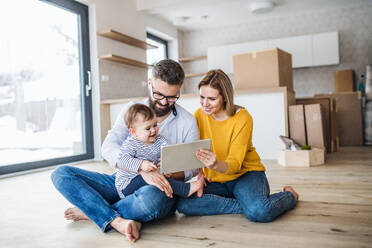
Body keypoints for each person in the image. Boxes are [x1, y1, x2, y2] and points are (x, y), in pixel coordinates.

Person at [51, 59, 200, 243]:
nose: (163, 102)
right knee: (61, 174)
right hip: (123, 181)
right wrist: (140, 170)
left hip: (161, 189)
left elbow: (193, 166)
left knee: (151, 201)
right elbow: (108, 146)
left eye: (171, 97)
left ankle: (93, 211)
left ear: (179, 90)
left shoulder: (187, 121)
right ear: (149, 82)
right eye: (158, 94)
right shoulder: (131, 109)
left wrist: (173, 171)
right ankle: (116, 219)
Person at [177, 69, 299, 222]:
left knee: (260, 212)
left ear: (225, 98)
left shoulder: (242, 117)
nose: (205, 104)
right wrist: (201, 175)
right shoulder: (198, 116)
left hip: (245, 175)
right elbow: (194, 151)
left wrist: (214, 164)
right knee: (183, 203)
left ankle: (289, 196)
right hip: (215, 180)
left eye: (212, 99)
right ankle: (245, 205)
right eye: (202, 97)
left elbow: (235, 164)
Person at [115, 103, 204, 199]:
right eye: (148, 128)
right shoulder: (130, 144)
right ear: (133, 132)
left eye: (155, 125)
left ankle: (184, 194)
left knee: (162, 180)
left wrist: (168, 166)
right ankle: (186, 189)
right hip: (128, 183)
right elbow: (121, 161)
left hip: (153, 178)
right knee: (155, 180)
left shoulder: (160, 140)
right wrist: (141, 165)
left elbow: (168, 155)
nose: (153, 130)